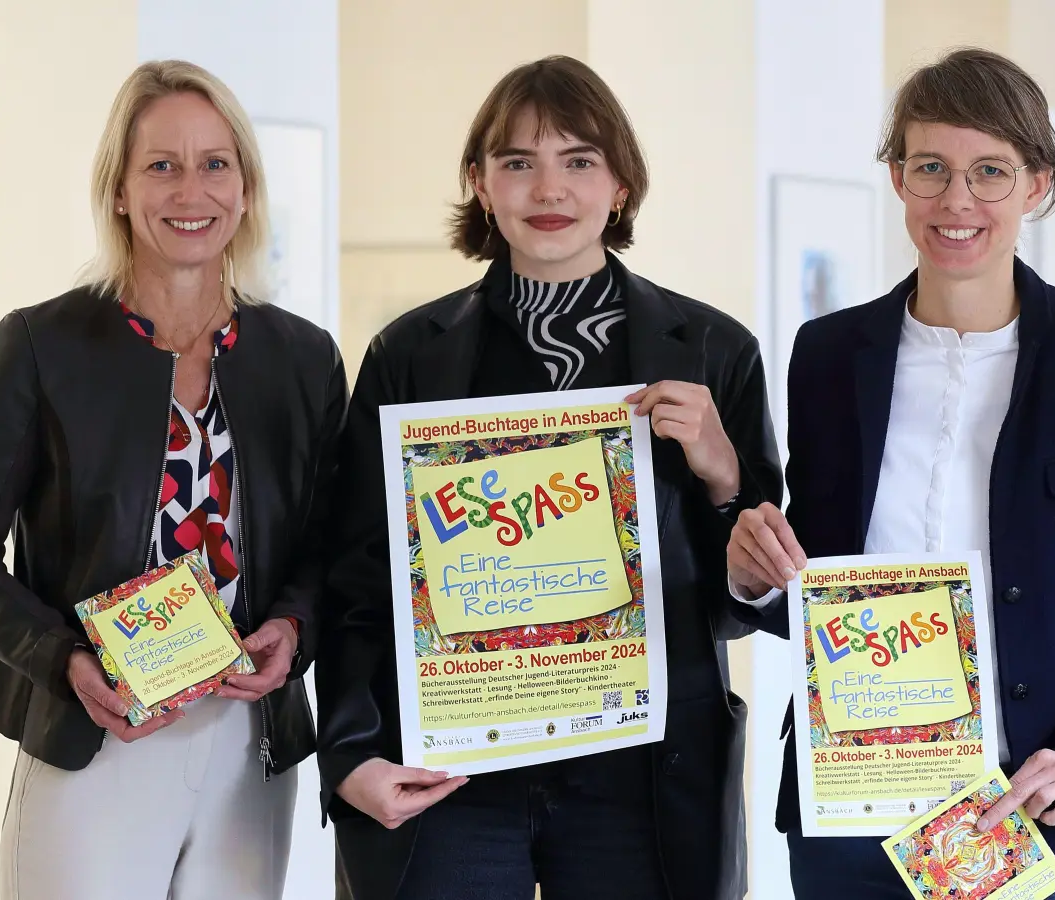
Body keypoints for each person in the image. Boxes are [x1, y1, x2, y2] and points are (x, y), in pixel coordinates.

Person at [726, 48, 1055, 899]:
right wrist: (758, 584)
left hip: (1028, 818)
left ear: (1037, 186)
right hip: (849, 816)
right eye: (930, 168)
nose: (957, 201)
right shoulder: (831, 356)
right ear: (897, 178)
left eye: (990, 171)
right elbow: (818, 583)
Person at [316, 55, 781, 900]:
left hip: (639, 778)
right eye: (517, 163)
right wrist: (349, 754)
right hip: (452, 773)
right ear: (480, 185)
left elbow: (751, 598)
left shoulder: (716, 352)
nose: (548, 189)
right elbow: (353, 575)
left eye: (579, 161)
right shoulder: (407, 357)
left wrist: (722, 475)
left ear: (622, 187)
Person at [0, 60, 345, 900]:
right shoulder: (39, 347)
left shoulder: (301, 358)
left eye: (215, 163)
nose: (192, 190)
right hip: (93, 739)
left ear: (247, 187)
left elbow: (336, 545)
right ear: (119, 189)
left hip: (249, 753)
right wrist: (63, 660)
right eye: (162, 165)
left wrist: (294, 629)